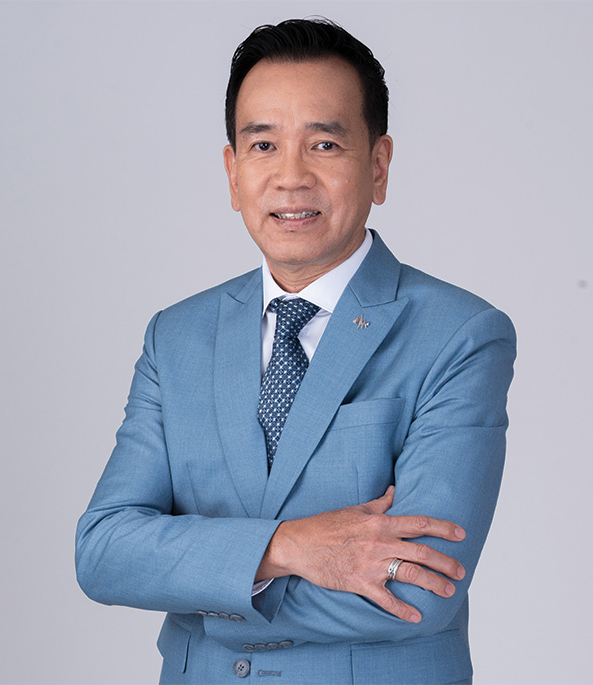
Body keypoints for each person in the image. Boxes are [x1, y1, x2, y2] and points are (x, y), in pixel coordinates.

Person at [76, 18, 516, 685]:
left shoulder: (459, 334)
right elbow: (105, 550)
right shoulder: (177, 336)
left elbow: (418, 590)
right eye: (263, 145)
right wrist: (287, 546)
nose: (290, 177)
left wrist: (206, 585)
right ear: (232, 173)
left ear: (378, 166)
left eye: (324, 144)